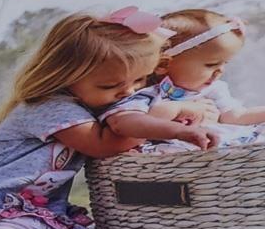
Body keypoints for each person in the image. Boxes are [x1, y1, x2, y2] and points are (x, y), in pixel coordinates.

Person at [0, 8, 211, 229]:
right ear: (66, 76)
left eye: (140, 81)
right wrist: (165, 118)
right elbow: (102, 145)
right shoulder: (49, 106)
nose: (129, 92)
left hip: (28, 211)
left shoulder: (98, 107)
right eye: (110, 85)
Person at [101, 8, 262, 149]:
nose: (220, 71)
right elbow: (136, 123)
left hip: (223, 150)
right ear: (163, 64)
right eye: (211, 64)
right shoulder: (146, 93)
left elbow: (236, 117)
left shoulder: (214, 89)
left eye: (224, 63)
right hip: (178, 154)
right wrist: (179, 108)